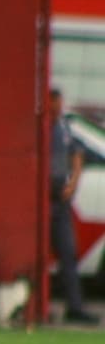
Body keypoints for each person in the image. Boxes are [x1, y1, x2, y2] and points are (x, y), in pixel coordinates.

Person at [47, 87, 98, 324]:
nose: (57, 106)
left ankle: (74, 306)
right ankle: (38, 304)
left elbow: (78, 153)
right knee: (37, 255)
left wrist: (73, 182)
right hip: (42, 198)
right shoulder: (40, 128)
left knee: (68, 253)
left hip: (60, 197)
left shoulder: (64, 127)